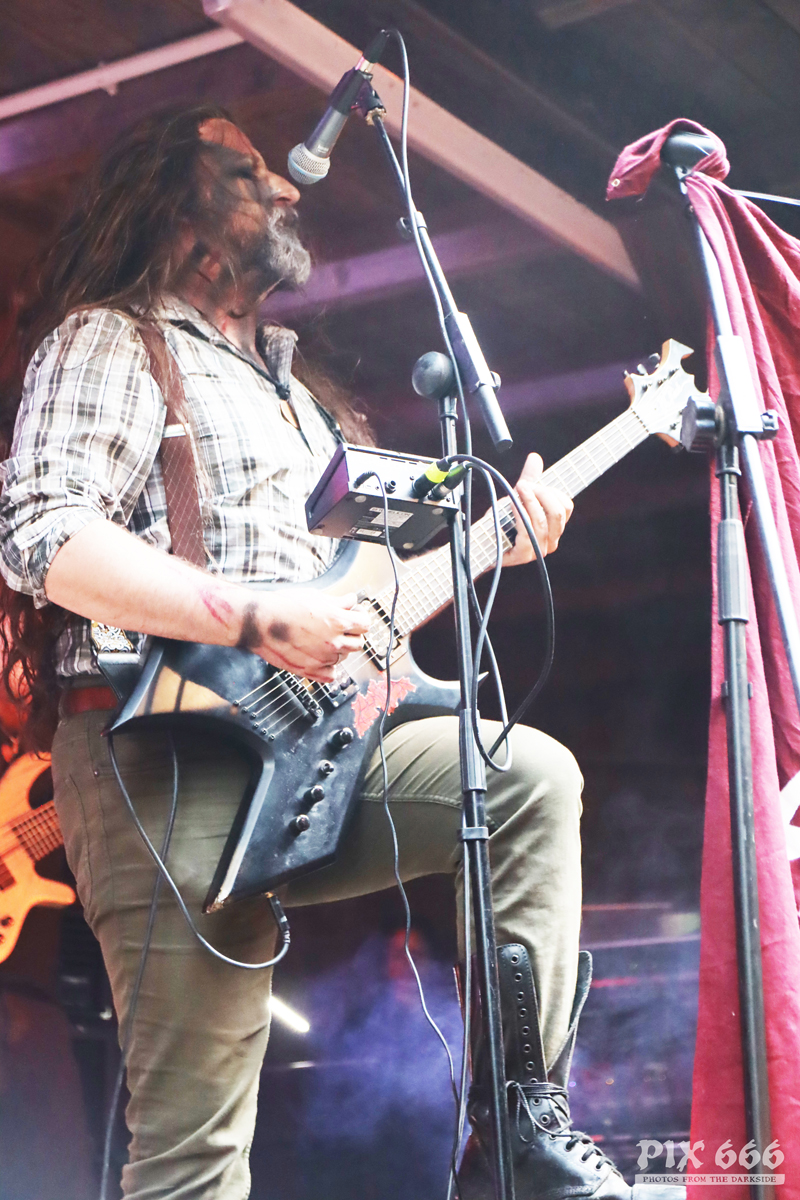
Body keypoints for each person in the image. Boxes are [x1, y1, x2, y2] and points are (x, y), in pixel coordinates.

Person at [0, 105, 681, 1200]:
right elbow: (43, 535)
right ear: (175, 210)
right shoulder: (110, 338)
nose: (286, 187)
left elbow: (360, 600)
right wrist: (254, 620)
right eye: (246, 171)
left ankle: (515, 1133)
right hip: (159, 755)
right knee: (194, 1150)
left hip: (319, 748)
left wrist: (500, 540)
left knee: (523, 778)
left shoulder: (297, 396)